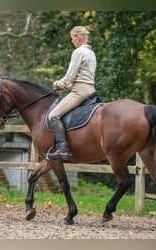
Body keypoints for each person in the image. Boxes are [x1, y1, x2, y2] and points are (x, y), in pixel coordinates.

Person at [47, 26, 97, 161]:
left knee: (53, 115)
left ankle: (62, 149)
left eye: (73, 38)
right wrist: (65, 86)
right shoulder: (91, 53)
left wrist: (58, 84)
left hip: (80, 92)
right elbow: (81, 77)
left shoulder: (78, 52)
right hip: (91, 90)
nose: (72, 41)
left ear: (79, 37)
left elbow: (70, 76)